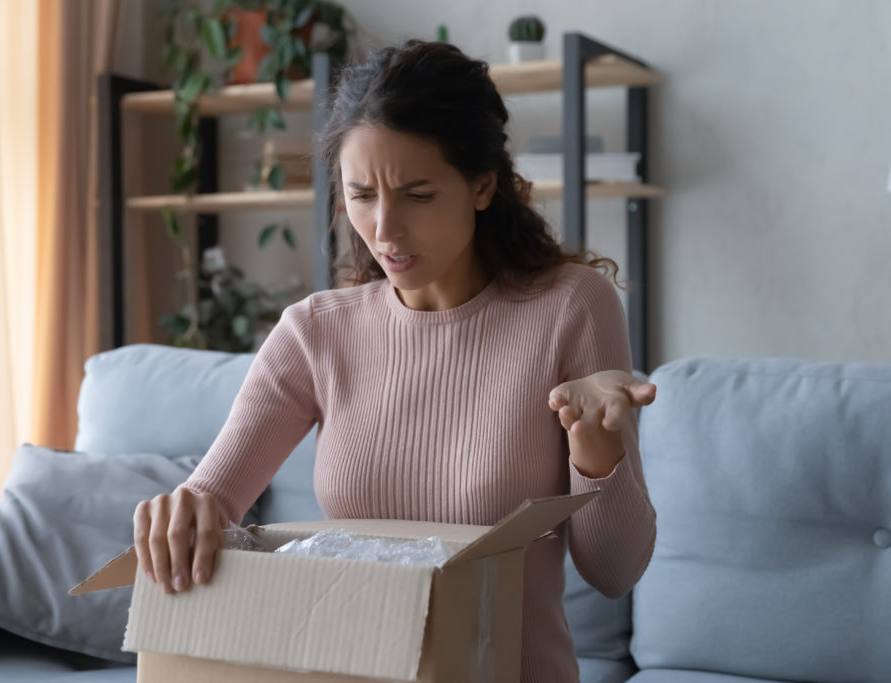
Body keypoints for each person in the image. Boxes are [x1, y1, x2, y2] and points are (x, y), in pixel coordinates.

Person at [132, 39, 657, 682]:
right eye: (361, 195)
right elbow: (211, 503)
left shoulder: (572, 307)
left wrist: (596, 454)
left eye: (416, 195)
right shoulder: (316, 332)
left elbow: (614, 573)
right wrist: (182, 511)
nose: (384, 230)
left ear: (483, 185)